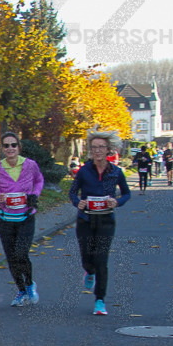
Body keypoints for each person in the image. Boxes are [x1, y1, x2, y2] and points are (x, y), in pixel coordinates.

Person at [69, 130, 132, 315]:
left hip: (106, 220)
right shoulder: (84, 171)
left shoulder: (116, 172)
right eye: (94, 147)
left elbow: (127, 193)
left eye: (101, 147)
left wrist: (117, 202)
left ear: (108, 150)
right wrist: (77, 202)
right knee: (87, 257)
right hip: (86, 220)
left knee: (101, 260)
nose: (97, 151)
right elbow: (72, 192)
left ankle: (100, 301)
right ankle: (89, 271)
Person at [0, 132, 44, 307]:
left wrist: (34, 195)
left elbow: (39, 181)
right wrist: (0, 198)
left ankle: (29, 284)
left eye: (13, 145)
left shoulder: (30, 165)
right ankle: (21, 290)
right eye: (6, 145)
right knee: (11, 257)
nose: (10, 148)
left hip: (26, 217)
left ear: (19, 147)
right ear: (2, 148)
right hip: (6, 219)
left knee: (21, 253)